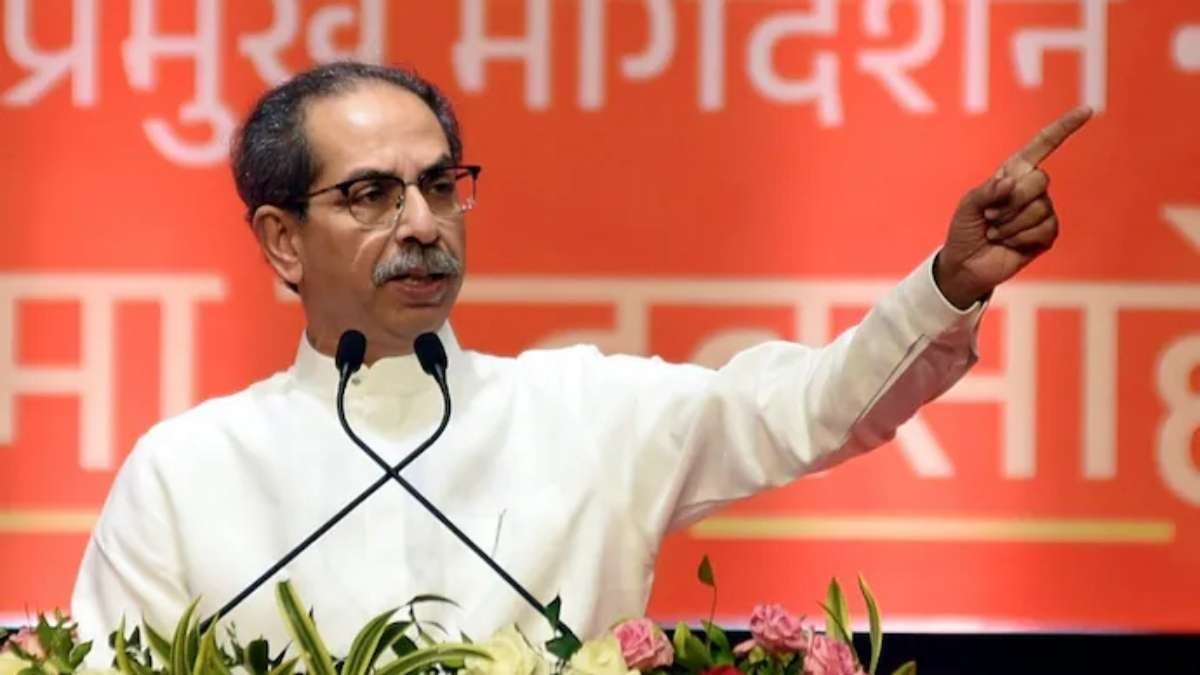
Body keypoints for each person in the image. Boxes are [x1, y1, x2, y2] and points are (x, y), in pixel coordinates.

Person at [70, 61, 1089, 661]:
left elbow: (812, 408)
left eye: (440, 185)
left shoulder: (583, 410)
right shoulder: (187, 471)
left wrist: (947, 284)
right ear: (283, 240)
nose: (422, 223)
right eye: (372, 194)